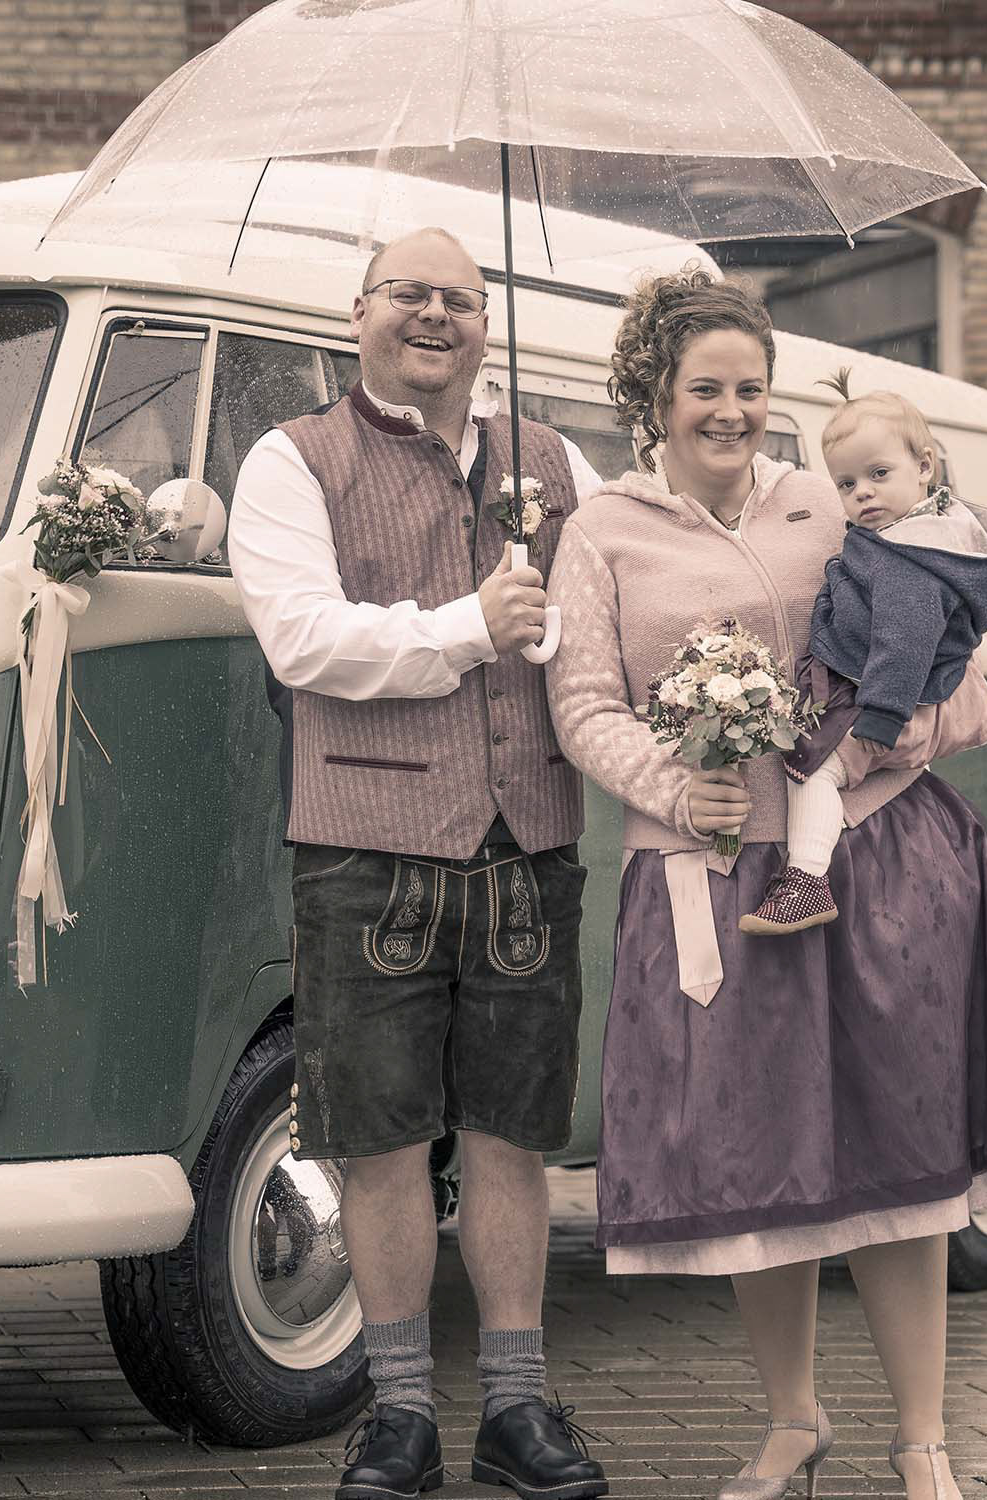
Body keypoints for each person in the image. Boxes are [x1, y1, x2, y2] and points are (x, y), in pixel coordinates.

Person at [545, 266, 987, 1500]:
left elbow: (949, 667)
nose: (730, 410)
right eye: (704, 388)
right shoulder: (601, 529)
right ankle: (792, 1421)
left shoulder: (835, 503)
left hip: (879, 862)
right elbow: (584, 706)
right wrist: (677, 785)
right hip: (715, 877)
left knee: (902, 1147)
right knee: (757, 1158)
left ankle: (923, 1437)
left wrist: (886, 738)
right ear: (653, 397)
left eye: (749, 388)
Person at [229, 226, 608, 1500]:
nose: (435, 315)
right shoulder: (292, 460)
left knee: (513, 1137)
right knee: (380, 1142)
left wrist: (565, 637)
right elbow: (302, 638)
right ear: (359, 315)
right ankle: (398, 1415)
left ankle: (515, 1405)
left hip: (530, 842)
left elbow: (609, 625)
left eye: (460, 297)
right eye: (410, 294)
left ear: (487, 328)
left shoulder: (554, 464)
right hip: (366, 847)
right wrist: (466, 625)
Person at [740, 370, 987, 935]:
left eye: (879, 474)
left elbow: (905, 639)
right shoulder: (914, 537)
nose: (863, 493)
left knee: (814, 770)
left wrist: (883, 712)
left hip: (877, 697)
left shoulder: (908, 556)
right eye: (847, 485)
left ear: (925, 467)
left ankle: (804, 881)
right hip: (870, 686)